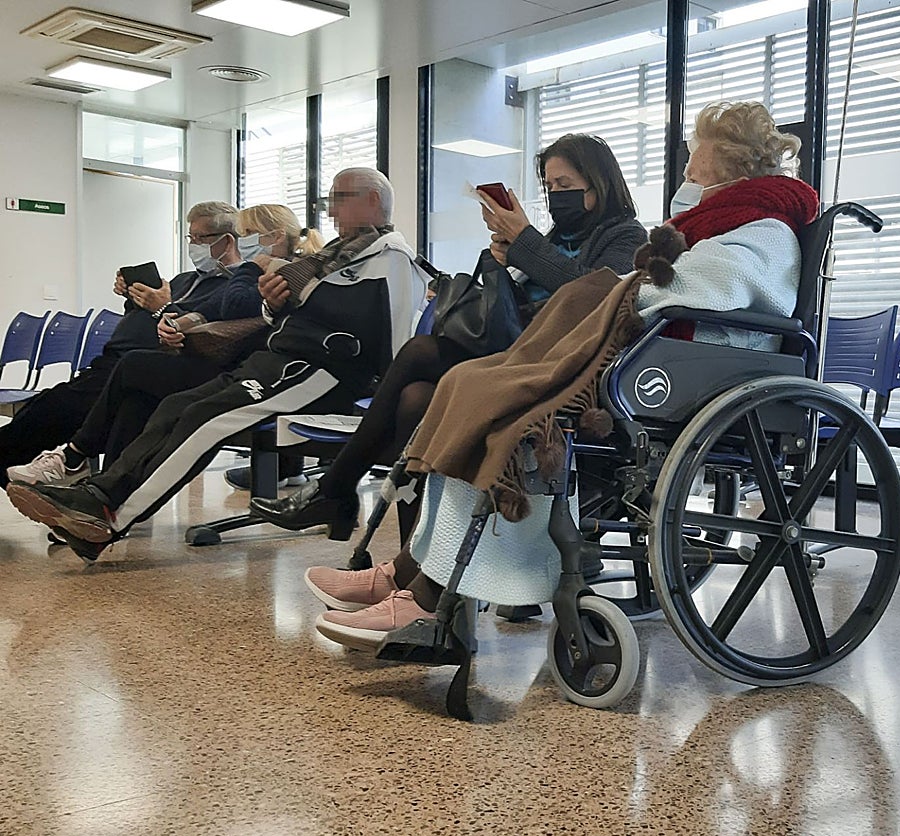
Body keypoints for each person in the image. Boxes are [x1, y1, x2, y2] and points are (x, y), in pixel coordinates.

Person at [303, 100, 820, 648]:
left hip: (672, 372)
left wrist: (616, 288)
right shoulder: (717, 223)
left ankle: (431, 597)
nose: (688, 171)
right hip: (640, 356)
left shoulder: (763, 229)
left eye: (698, 160)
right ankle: (413, 572)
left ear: (732, 169)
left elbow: (703, 294)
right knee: (462, 384)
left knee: (496, 403)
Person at [7, 168, 427, 563]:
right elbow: (285, 314)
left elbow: (395, 345)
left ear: (372, 201)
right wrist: (274, 302)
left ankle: (107, 516)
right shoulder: (339, 255)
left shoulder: (393, 260)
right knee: (178, 406)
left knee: (205, 418)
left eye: (341, 199)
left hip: (317, 372)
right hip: (276, 361)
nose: (331, 210)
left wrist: (378, 407)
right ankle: (98, 493)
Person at [249, 134, 646, 538]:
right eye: (549, 186)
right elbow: (521, 297)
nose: (554, 195)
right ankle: (411, 553)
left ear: (599, 184)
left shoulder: (626, 237)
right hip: (516, 349)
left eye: (564, 185)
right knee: (413, 399)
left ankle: (337, 490)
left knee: (420, 352)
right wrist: (507, 257)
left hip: (557, 363)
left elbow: (593, 297)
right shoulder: (552, 239)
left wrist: (524, 245)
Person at [7, 204, 322, 487]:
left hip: (221, 370)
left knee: (119, 379)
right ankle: (102, 494)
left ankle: (77, 461)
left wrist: (169, 308)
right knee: (128, 398)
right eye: (190, 238)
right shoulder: (188, 279)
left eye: (248, 234)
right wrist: (144, 304)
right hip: (143, 361)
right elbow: (200, 313)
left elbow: (233, 307)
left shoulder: (270, 275)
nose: (193, 245)